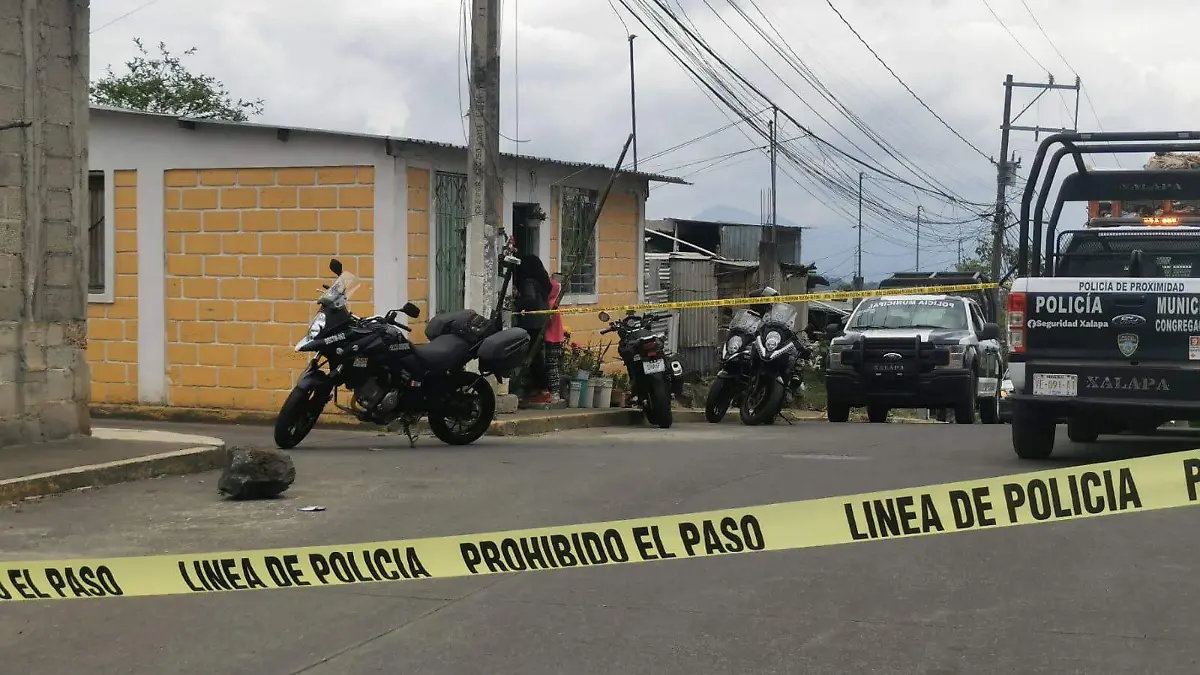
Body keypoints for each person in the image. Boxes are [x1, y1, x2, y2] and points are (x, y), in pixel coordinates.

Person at [512, 255, 553, 405]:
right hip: (540, 323)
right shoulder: (542, 282)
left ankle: (541, 389)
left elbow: (530, 301)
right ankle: (539, 389)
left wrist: (516, 299)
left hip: (531, 324)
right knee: (536, 356)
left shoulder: (528, 282)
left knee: (532, 358)